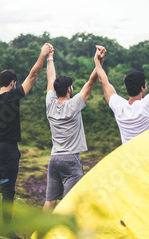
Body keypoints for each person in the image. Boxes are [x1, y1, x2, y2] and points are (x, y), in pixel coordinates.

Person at [0, 43, 53, 225]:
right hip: (8, 150)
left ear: (0, 83)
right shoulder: (14, 96)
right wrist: (43, 54)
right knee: (8, 190)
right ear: (13, 83)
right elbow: (33, 75)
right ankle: (5, 230)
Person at [42, 48, 103, 212]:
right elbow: (90, 83)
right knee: (71, 203)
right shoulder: (74, 104)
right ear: (69, 89)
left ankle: (38, 234)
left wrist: (50, 58)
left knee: (50, 201)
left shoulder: (50, 104)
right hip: (70, 160)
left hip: (54, 158)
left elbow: (50, 79)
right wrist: (98, 62)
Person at [93, 37, 149, 145]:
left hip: (128, 160)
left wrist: (97, 61)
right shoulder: (146, 106)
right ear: (142, 88)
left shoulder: (119, 107)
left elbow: (104, 82)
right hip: (146, 160)